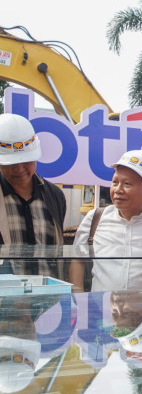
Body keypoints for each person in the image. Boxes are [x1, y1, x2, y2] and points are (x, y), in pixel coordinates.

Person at [71, 150, 142, 291]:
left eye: (127, 184)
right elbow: (78, 259)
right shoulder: (95, 219)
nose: (118, 190)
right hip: (103, 310)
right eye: (115, 182)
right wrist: (78, 296)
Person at [0, 113, 66, 277]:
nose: (19, 168)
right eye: (11, 163)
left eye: (26, 161)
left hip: (48, 296)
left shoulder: (54, 195)